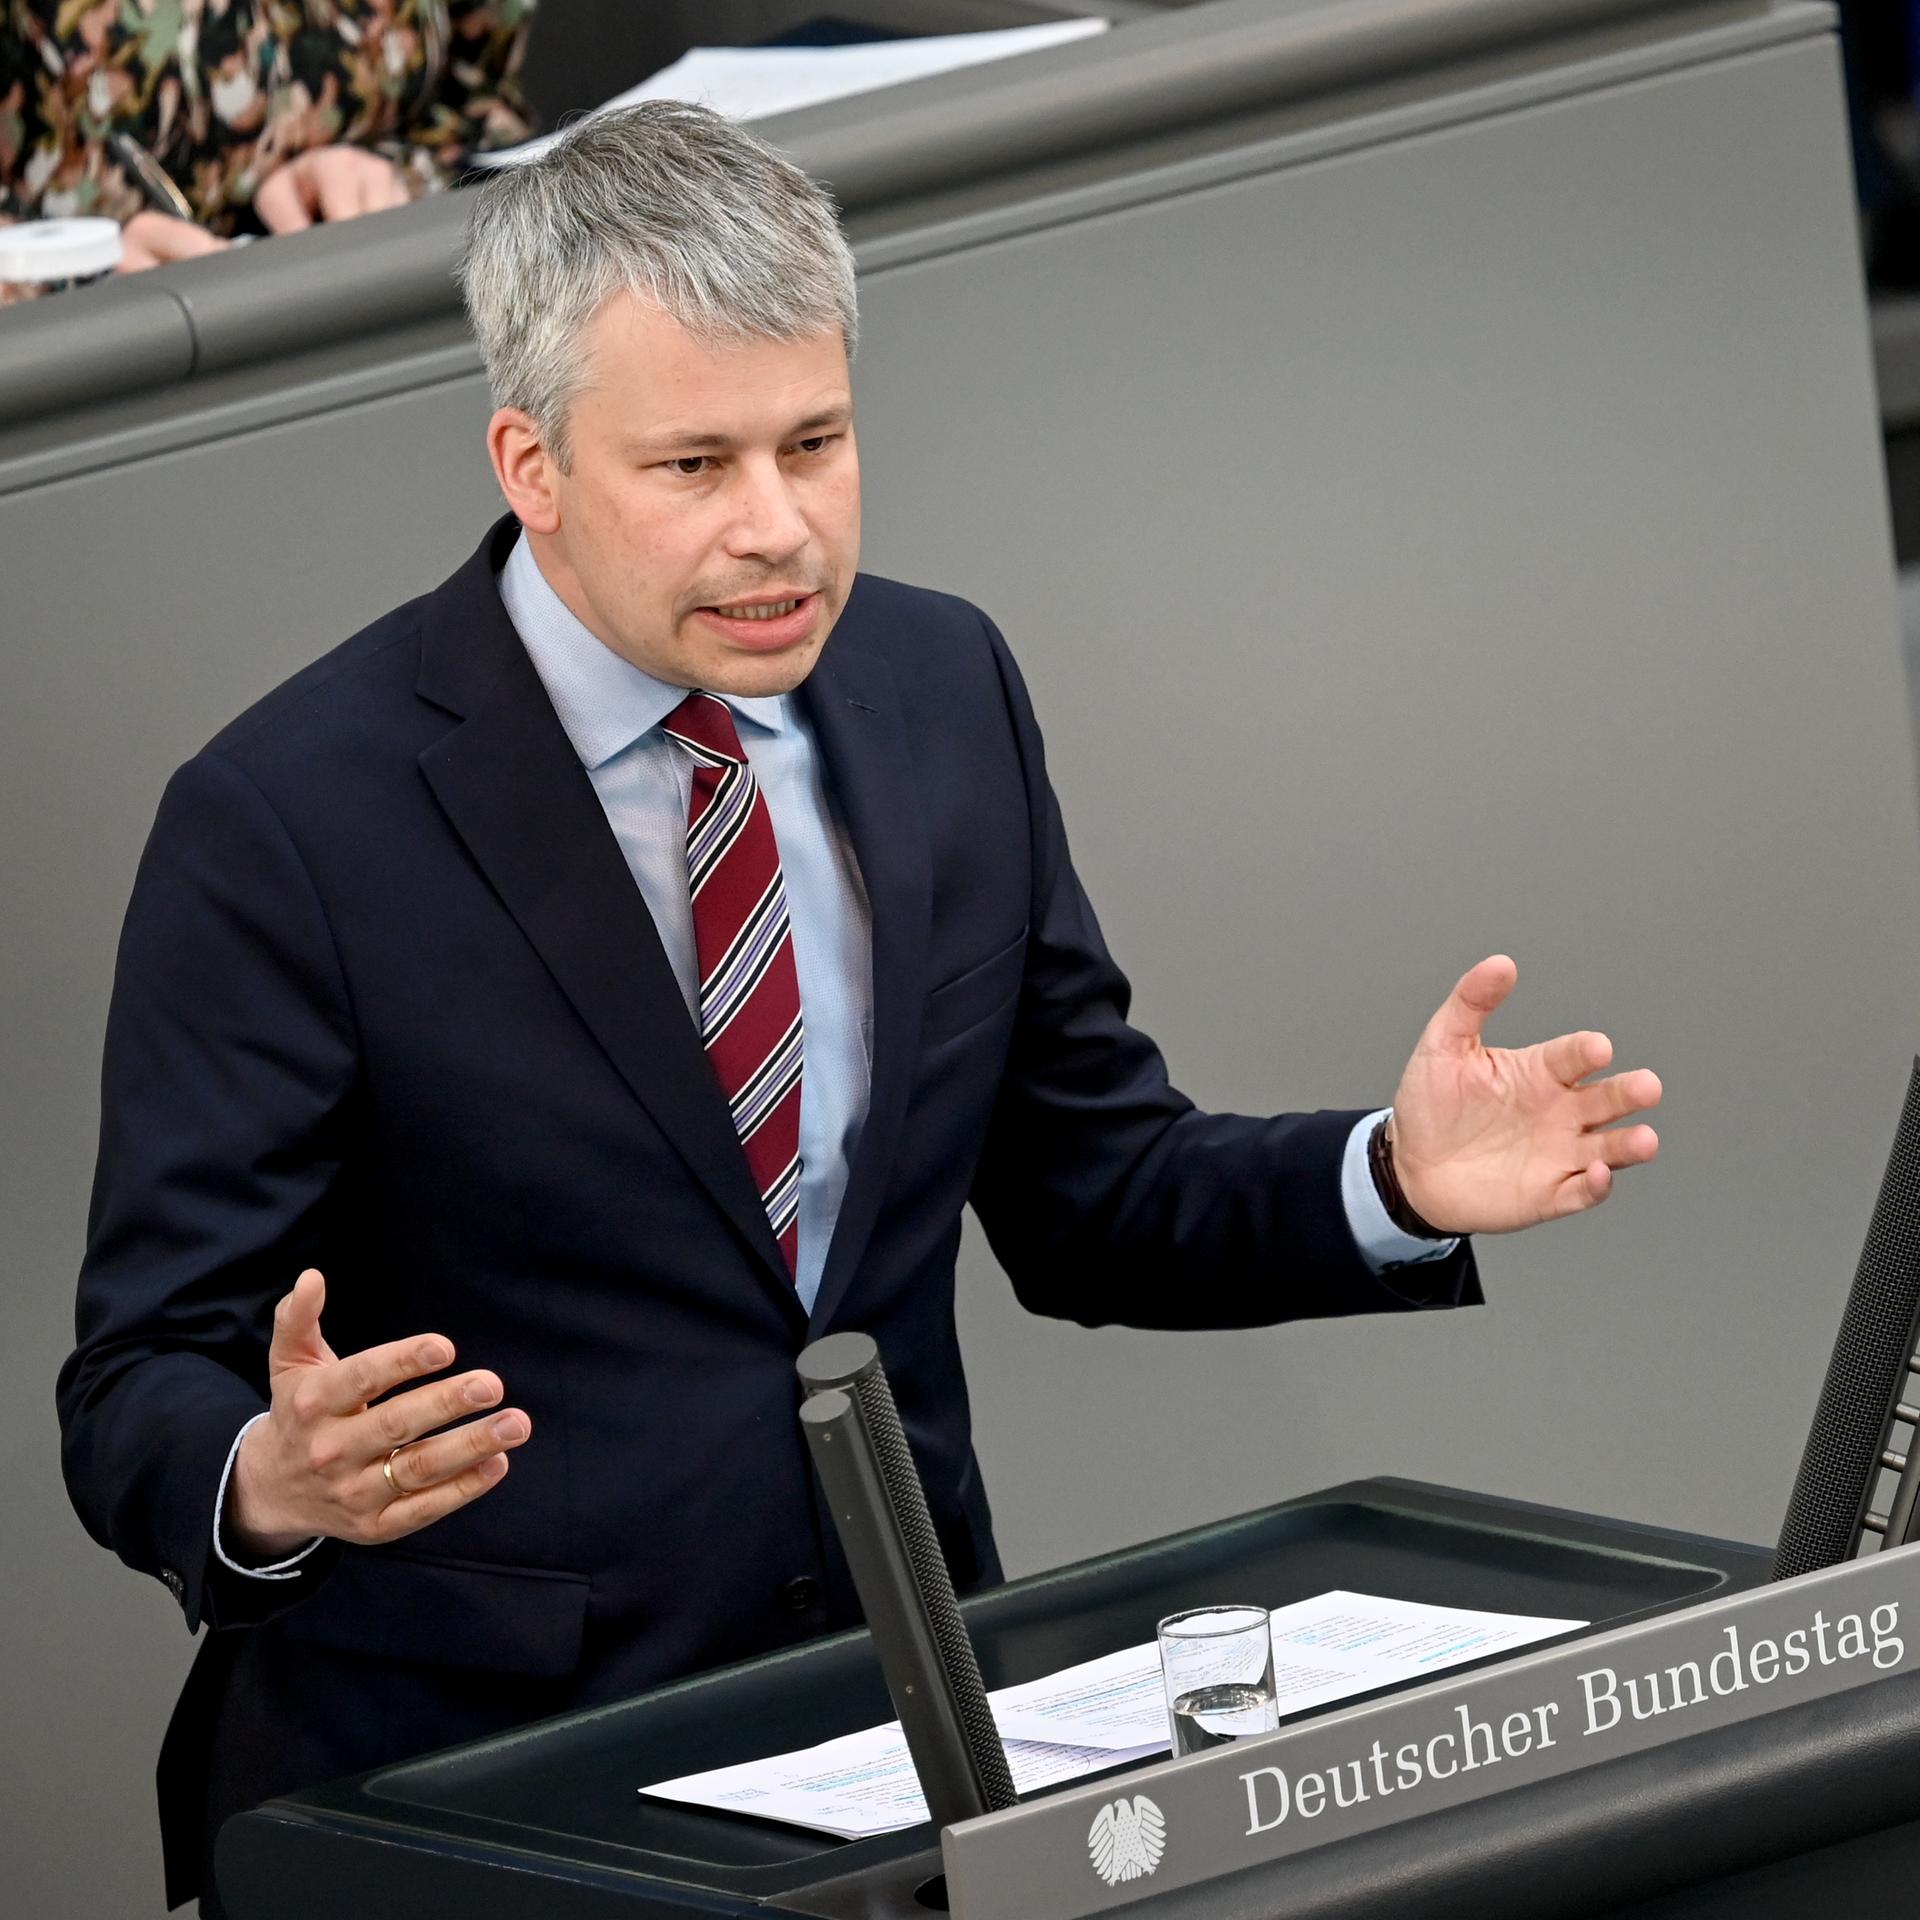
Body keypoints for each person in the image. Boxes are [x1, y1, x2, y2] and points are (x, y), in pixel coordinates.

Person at [57, 100, 1662, 1916]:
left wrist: (1393, 1181)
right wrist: (269, 1478)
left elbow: (1093, 1192)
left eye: (817, 442)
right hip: (464, 1799)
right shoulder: (289, 819)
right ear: (532, 464)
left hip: (897, 1743)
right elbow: (135, 1385)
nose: (780, 530)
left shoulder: (938, 680)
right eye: (695, 467)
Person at [0, 0, 537, 277]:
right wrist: (59, 274)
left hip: (384, 310)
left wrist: (400, 174)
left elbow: (485, 102)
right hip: (100, 384)